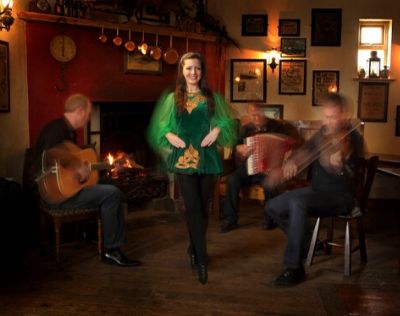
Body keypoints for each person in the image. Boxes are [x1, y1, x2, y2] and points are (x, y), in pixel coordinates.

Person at [147, 52, 237, 284]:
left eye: (197, 68)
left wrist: (216, 130)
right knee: (193, 208)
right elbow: (160, 126)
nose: (193, 73)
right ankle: (202, 258)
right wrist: (168, 134)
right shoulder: (172, 99)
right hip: (183, 161)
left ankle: (193, 249)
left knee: (203, 210)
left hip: (207, 158)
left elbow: (227, 121)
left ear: (202, 72)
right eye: (188, 69)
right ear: (182, 71)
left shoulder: (211, 98)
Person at [265, 93, 363, 286]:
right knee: (272, 206)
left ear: (343, 115)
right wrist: (291, 163)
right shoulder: (322, 135)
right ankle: (308, 241)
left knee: (298, 203)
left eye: (333, 116)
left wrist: (340, 164)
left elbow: (352, 169)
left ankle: (294, 267)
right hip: (317, 192)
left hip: (340, 196)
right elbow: (304, 151)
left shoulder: (353, 138)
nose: (329, 121)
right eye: (326, 116)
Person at [32, 94, 141, 267]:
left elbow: (83, 170)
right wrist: (76, 165)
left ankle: (92, 233)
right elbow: (49, 157)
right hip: (58, 196)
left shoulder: (67, 132)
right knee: (112, 194)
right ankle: (111, 249)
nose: (88, 118)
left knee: (111, 186)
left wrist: (107, 169)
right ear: (80, 111)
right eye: (88, 114)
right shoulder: (56, 130)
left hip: (66, 191)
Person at [219, 103, 295, 233]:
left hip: (269, 169)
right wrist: (241, 149)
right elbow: (236, 146)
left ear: (263, 113)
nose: (255, 117)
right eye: (252, 115)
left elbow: (290, 144)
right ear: (249, 115)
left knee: (269, 183)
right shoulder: (246, 129)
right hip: (249, 166)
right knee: (233, 179)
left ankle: (270, 219)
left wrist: (286, 158)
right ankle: (230, 219)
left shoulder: (277, 127)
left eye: (258, 114)